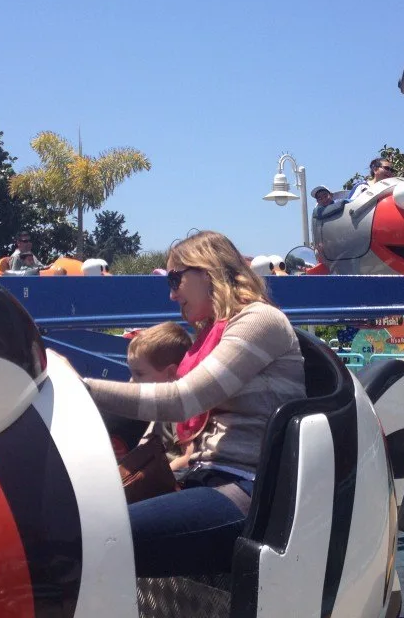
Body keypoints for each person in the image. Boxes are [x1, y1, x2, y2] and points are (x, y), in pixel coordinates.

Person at [82, 230, 305, 577]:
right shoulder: (210, 338)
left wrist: (81, 387)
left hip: (245, 489)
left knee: (90, 541)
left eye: (175, 278)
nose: (172, 295)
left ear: (207, 270)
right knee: (72, 518)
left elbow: (183, 399)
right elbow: (157, 401)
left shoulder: (260, 320)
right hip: (203, 477)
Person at [126, 322, 195, 471]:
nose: (132, 380)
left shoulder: (176, 407)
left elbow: (188, 457)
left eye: (139, 374)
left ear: (170, 373)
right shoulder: (162, 404)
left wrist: (149, 477)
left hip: (166, 481)